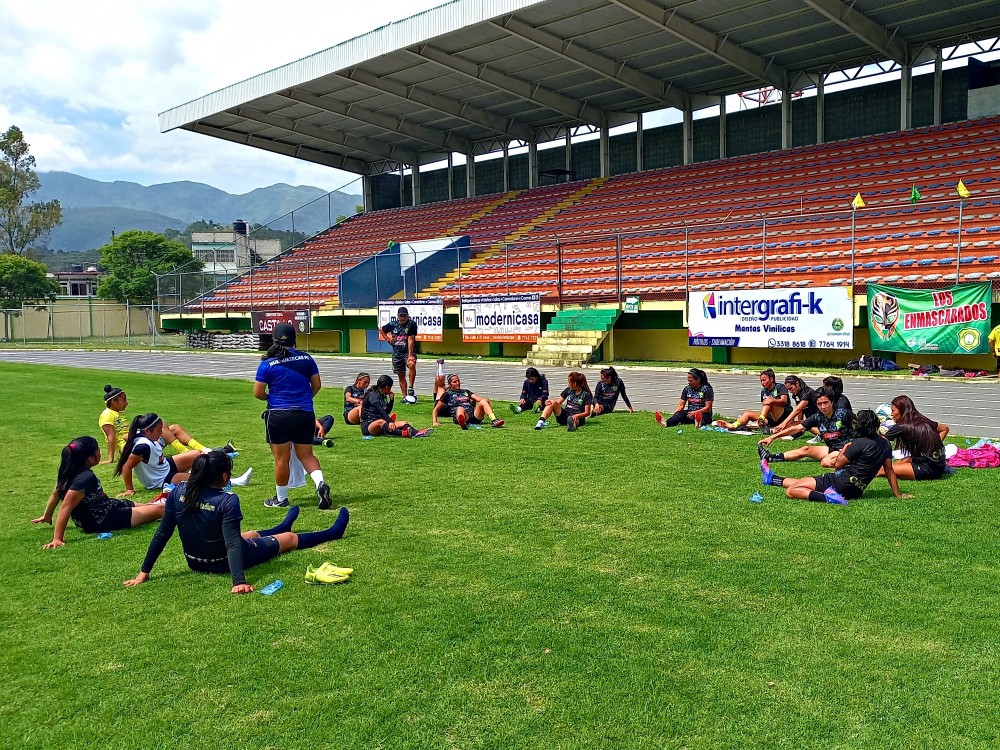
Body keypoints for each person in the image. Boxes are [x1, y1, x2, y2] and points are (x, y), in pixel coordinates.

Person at [123, 451, 350, 595]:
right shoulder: (227, 500)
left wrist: (144, 572)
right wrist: (238, 581)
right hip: (224, 561)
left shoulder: (179, 491)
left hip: (195, 562)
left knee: (249, 533)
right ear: (224, 477)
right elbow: (232, 544)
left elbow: (163, 532)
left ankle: (281, 526)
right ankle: (333, 532)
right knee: (288, 540)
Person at [254, 322, 332, 510]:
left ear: (273, 339)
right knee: (307, 455)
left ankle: (281, 499)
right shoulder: (307, 359)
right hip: (304, 412)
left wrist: (270, 399)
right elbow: (317, 385)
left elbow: (258, 392)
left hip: (279, 413)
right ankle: (320, 484)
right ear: (294, 339)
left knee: (282, 459)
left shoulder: (267, 362)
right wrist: (304, 398)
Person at [35, 436, 164, 548]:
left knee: (154, 507)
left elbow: (55, 494)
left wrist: (47, 516)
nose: (100, 452)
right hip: (104, 520)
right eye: (98, 450)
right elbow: (66, 506)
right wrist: (57, 538)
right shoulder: (85, 478)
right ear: (91, 459)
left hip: (107, 507)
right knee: (161, 510)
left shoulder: (68, 473)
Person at [761, 409, 910, 506]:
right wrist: (898, 494)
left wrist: (844, 449)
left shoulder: (858, 443)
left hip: (840, 483)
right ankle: (772, 478)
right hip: (857, 490)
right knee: (804, 482)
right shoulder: (885, 443)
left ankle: (828, 498)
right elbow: (889, 470)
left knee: (792, 491)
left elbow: (838, 465)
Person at [99, 384, 215, 465]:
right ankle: (186, 453)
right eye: (124, 400)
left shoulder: (117, 413)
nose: (127, 403)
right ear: (114, 402)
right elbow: (111, 437)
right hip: (130, 448)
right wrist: (111, 459)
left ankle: (204, 449)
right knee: (162, 426)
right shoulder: (107, 415)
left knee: (175, 428)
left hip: (136, 441)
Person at [114, 413, 217, 496]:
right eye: (159, 430)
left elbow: (129, 436)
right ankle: (230, 481)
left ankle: (197, 470)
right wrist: (129, 489)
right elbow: (126, 466)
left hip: (165, 465)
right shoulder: (143, 447)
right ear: (148, 431)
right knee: (201, 481)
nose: (161, 433)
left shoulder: (144, 436)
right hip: (161, 479)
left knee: (199, 454)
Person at [758, 387, 853, 468]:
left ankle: (852, 460)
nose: (823, 407)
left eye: (825, 403)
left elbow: (863, 427)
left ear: (832, 402)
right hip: (832, 449)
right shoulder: (817, 417)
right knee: (806, 449)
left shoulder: (843, 413)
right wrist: (772, 437)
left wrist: (852, 447)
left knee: (825, 462)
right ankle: (769, 457)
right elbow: (796, 428)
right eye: (819, 404)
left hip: (848, 450)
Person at [877, 395, 949, 481]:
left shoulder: (901, 427)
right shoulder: (923, 420)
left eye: (893, 410)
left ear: (902, 410)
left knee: (883, 470)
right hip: (939, 465)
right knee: (901, 462)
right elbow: (944, 428)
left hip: (928, 469)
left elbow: (880, 442)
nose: (891, 414)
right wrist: (934, 446)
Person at [360, 375, 431, 437]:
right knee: (381, 422)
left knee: (404, 423)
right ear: (387, 387)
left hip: (382, 424)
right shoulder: (373, 395)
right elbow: (380, 410)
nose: (390, 390)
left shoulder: (383, 396)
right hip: (368, 426)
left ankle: (417, 433)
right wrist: (390, 421)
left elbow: (386, 411)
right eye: (390, 387)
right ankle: (403, 433)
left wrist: (391, 401)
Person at [724, 369, 791, 434]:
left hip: (783, 415)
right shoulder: (763, 391)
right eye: (761, 381)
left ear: (771, 379)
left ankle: (761, 421)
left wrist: (772, 400)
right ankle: (734, 425)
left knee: (769, 401)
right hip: (770, 417)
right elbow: (765, 406)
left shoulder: (780, 386)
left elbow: (784, 401)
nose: (762, 383)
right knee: (747, 413)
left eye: (764, 380)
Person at [432, 373, 505, 429]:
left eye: (458, 381)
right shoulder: (447, 394)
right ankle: (463, 423)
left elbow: (477, 398)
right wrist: (435, 421)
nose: (458, 383)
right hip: (460, 414)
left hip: (473, 415)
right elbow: (436, 409)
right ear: (450, 384)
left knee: (483, 401)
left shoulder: (465, 391)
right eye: (455, 382)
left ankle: (494, 420)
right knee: (460, 408)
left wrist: (484, 400)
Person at [380, 306, 418, 404]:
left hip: (407, 351)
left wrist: (410, 355)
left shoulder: (411, 324)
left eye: (404, 316)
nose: (402, 318)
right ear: (398, 316)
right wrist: (388, 339)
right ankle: (405, 396)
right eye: (401, 316)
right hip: (397, 352)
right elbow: (381, 330)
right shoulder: (393, 324)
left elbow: (411, 339)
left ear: (408, 316)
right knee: (401, 375)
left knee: (411, 364)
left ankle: (411, 387)